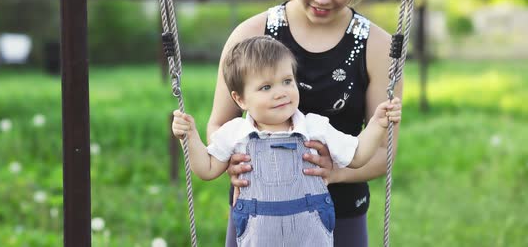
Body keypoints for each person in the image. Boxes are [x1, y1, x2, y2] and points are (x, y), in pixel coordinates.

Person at [206, 0, 404, 246]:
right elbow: (218, 125)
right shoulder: (251, 34)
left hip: (340, 215)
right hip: (259, 216)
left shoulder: (378, 47)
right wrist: (231, 160)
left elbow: (384, 150)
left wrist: (336, 172)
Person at [172, 36, 401, 247]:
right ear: (240, 99)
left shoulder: (314, 126)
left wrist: (377, 125)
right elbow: (207, 169)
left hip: (311, 238)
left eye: (287, 81)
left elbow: (358, 155)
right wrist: (189, 138)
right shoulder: (235, 132)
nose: (281, 92)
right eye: (266, 87)